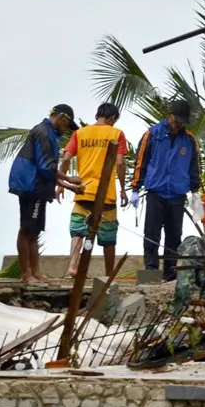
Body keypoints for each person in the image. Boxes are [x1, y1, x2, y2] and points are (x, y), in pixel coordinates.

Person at [8, 105, 83, 285]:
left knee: (34, 231)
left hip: (37, 186)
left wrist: (67, 182)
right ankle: (26, 275)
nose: (65, 130)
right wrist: (69, 183)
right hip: (31, 185)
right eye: (66, 126)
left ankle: (37, 273)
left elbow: (47, 167)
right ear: (62, 119)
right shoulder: (43, 133)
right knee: (27, 229)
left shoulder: (48, 133)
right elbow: (46, 167)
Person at [130, 99, 203, 281]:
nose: (177, 123)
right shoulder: (152, 134)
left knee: (174, 236)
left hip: (177, 194)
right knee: (151, 234)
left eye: (181, 121)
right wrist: (136, 188)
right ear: (168, 115)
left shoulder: (189, 140)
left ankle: (170, 275)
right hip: (156, 192)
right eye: (175, 119)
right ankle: (150, 274)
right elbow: (141, 162)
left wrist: (195, 192)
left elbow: (195, 167)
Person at [56, 102, 129, 279]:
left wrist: (60, 183)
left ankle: (73, 267)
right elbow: (119, 163)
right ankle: (109, 274)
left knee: (78, 230)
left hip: (83, 191)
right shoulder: (116, 133)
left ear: (98, 116)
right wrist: (122, 189)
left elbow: (65, 159)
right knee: (108, 237)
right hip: (106, 194)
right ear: (112, 118)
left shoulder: (79, 133)